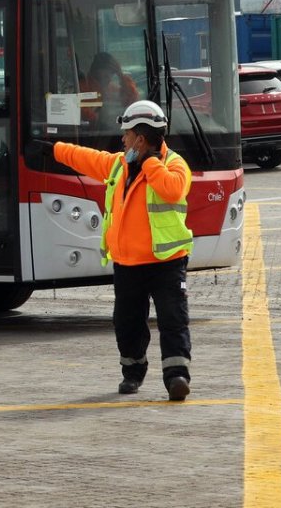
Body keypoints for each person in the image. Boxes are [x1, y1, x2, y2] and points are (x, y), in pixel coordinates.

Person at [41, 99, 194, 401]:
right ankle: (132, 373)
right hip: (128, 263)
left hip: (166, 262)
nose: (122, 140)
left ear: (141, 138)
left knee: (173, 320)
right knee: (127, 323)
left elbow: (173, 189)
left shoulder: (174, 164)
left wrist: (149, 162)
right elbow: (87, 158)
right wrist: (54, 150)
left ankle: (177, 377)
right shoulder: (118, 165)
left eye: (127, 134)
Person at [81, 52, 139, 130]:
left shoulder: (111, 88)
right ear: (95, 70)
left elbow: (131, 100)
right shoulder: (82, 87)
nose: (109, 76)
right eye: (105, 72)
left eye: (112, 72)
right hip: (88, 134)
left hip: (113, 133)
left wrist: (120, 75)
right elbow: (83, 115)